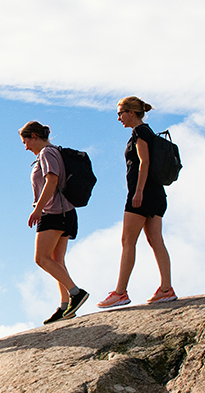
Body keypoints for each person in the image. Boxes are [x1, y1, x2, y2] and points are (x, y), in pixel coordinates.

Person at [95, 96, 176, 307]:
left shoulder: (140, 133)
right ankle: (166, 289)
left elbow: (144, 162)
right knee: (156, 240)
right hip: (157, 194)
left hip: (144, 194)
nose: (119, 118)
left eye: (120, 113)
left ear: (132, 112)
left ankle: (120, 292)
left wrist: (138, 192)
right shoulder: (146, 131)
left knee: (127, 241)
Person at [21, 123, 88, 324]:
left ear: (34, 136)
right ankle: (65, 306)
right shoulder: (53, 152)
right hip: (66, 212)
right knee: (56, 260)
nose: (25, 147)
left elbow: (52, 180)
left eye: (26, 142)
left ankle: (76, 292)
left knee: (41, 258)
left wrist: (38, 208)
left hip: (54, 213)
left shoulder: (47, 153)